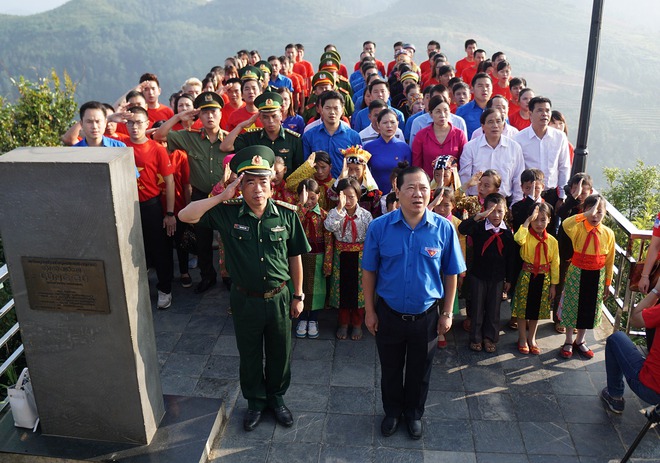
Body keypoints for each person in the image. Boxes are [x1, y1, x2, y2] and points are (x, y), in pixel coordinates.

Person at [178, 145, 310, 432]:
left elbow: (296, 258)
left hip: (279, 298)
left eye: (263, 181)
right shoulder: (228, 213)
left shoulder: (287, 215)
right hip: (245, 299)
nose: (257, 189)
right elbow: (185, 216)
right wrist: (222, 196)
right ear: (241, 185)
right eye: (249, 181)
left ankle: (276, 399)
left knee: (280, 352)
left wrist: (298, 296)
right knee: (249, 354)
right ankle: (255, 402)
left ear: (272, 184)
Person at [362, 165, 465, 440]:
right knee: (391, 368)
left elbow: (451, 272)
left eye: (423, 188)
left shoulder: (443, 228)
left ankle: (414, 414)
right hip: (389, 314)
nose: (418, 194)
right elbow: (369, 270)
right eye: (411, 187)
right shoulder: (379, 227)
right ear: (397, 189)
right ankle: (393, 412)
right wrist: (370, 311)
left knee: (421, 371)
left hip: (427, 316)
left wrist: (447, 313)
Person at [157, 91, 230, 293]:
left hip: (225, 196)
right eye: (205, 112)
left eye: (214, 111)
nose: (209, 116)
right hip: (200, 196)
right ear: (199, 115)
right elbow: (159, 135)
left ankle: (228, 275)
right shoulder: (190, 138)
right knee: (203, 240)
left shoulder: (230, 139)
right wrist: (180, 117)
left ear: (220, 113)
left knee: (228, 239)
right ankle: (207, 276)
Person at [124, 106, 176, 309]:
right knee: (132, 248)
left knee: (160, 248)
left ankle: (165, 289)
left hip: (150, 205)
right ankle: (137, 288)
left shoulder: (157, 149)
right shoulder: (119, 145)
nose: (134, 127)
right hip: (126, 205)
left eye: (138, 122)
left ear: (147, 124)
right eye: (130, 122)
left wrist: (169, 213)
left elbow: (170, 182)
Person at [557, 194, 615, 359]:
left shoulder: (608, 233)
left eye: (599, 212)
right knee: (572, 306)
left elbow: (610, 259)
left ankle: (580, 340)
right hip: (577, 271)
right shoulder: (577, 227)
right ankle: (568, 340)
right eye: (592, 212)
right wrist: (585, 216)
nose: (595, 216)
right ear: (584, 211)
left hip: (597, 274)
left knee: (588, 309)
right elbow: (566, 223)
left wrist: (607, 282)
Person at [458, 193, 516, 353]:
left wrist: (508, 279)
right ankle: (475, 338)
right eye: (492, 211)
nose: (496, 215)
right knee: (477, 308)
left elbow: (510, 258)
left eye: (500, 211)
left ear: (505, 212)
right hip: (478, 275)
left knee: (493, 309)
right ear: (485, 211)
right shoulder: (479, 227)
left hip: (497, 278)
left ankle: (489, 338)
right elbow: (462, 229)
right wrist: (479, 217)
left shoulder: (507, 233)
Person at [601, 278, 660, 413]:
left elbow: (635, 319)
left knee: (616, 338)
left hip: (651, 388)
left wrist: (656, 291)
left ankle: (614, 396)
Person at [324, 176, 373, 341]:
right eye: (344, 196)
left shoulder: (366, 215)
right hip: (341, 256)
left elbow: (371, 238)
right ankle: (343, 323)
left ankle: (358, 323)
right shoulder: (335, 213)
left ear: (358, 196)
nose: (348, 200)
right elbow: (329, 226)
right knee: (342, 291)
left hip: (360, 257)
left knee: (359, 291)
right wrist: (339, 208)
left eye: (351, 196)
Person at [511, 202, 559, 355]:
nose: (539, 224)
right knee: (522, 309)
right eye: (535, 220)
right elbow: (518, 238)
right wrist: (526, 221)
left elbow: (555, 264)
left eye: (543, 220)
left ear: (549, 220)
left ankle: (532, 338)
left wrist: (553, 285)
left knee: (536, 310)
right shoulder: (526, 237)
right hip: (527, 275)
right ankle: (522, 338)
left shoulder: (552, 241)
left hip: (544, 278)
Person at [220, 91, 303, 176]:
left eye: (274, 116)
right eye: (265, 117)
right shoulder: (251, 138)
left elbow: (298, 170)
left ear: (281, 115)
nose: (270, 121)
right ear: (260, 118)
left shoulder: (294, 140)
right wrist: (241, 126)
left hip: (285, 187)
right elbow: (225, 147)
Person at [516, 96, 571, 212]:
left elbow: (564, 167)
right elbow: (516, 170)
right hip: (528, 194)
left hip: (551, 194)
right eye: (540, 110)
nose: (544, 114)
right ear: (530, 114)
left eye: (547, 110)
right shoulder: (519, 138)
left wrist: (562, 196)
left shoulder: (559, 137)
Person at [459, 107, 524, 205]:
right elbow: (465, 176)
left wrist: (515, 205)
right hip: (475, 202)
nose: (495, 125)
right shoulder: (471, 147)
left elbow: (518, 178)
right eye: (490, 122)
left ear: (503, 125)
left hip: (503, 202)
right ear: (483, 126)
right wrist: (467, 203)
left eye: (498, 121)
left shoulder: (514, 147)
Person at [294, 179, 333, 339]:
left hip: (318, 257)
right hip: (299, 258)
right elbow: (292, 225)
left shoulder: (324, 216)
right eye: (305, 198)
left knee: (317, 290)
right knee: (300, 287)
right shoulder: (295, 213)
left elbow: (329, 241)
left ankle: (314, 319)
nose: (309, 202)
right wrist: (301, 206)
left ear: (319, 195)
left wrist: (328, 262)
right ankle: (301, 318)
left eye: (312, 198)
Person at [428, 186, 467, 348]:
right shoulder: (429, 219)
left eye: (447, 205)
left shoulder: (457, 224)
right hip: (431, 265)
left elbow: (462, 248)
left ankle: (442, 329)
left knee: (446, 297)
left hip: (448, 268)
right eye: (439, 204)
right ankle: (431, 326)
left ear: (453, 205)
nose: (442, 209)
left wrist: (461, 273)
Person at [302, 90, 361, 178]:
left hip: (344, 186)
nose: (332, 112)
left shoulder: (353, 136)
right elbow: (305, 165)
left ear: (342, 110)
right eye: (328, 108)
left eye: (336, 108)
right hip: (317, 187)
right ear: (321, 110)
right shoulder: (309, 135)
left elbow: (359, 166)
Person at [412, 95, 467, 178]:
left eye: (446, 111)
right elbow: (417, 164)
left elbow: (464, 163)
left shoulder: (459, 135)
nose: (442, 115)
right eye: (438, 111)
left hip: (454, 185)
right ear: (430, 114)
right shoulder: (421, 135)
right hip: (428, 184)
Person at [364, 108, 412, 194]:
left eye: (392, 122)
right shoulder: (368, 147)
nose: (389, 126)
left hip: (399, 195)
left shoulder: (405, 148)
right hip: (375, 196)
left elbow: (409, 176)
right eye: (385, 123)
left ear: (398, 124)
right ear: (378, 125)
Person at [456, 73, 493, 139]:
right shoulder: (462, 110)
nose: (484, 89)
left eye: (487, 86)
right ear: (472, 89)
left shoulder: (498, 109)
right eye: (480, 86)